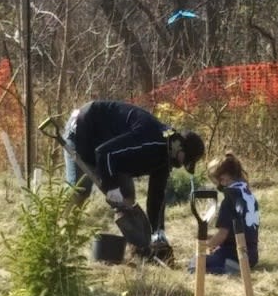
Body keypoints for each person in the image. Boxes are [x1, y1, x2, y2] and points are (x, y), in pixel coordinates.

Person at [63, 100, 205, 253]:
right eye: (187, 159)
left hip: (108, 146)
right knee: (81, 189)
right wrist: (111, 188)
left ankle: (137, 247)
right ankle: (61, 238)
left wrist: (158, 232)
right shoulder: (152, 139)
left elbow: (155, 197)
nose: (184, 164)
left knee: (128, 199)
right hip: (84, 127)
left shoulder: (166, 157)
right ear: (180, 147)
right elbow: (104, 153)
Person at [188, 153, 260, 275]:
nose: (217, 186)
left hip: (234, 255)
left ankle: (227, 268)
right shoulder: (248, 195)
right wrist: (212, 239)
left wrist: (205, 246)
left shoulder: (229, 200)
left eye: (216, 181)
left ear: (224, 178)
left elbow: (223, 234)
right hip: (252, 256)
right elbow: (239, 230)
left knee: (194, 264)